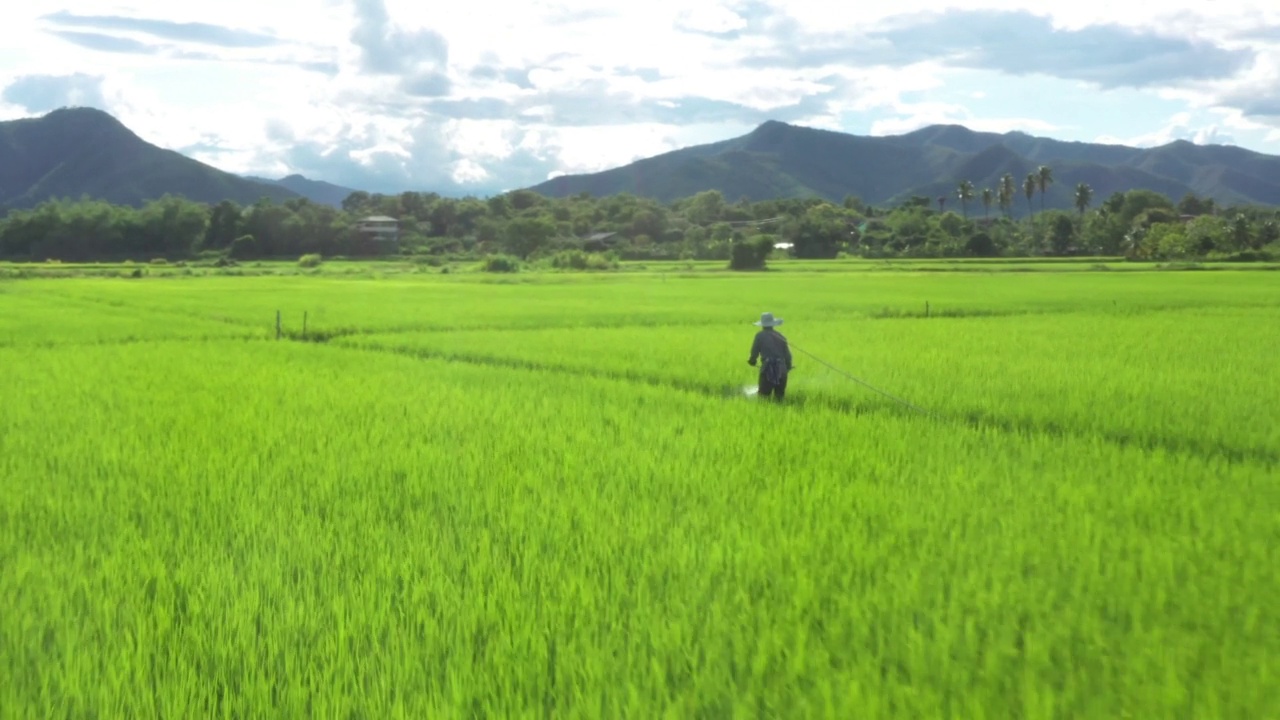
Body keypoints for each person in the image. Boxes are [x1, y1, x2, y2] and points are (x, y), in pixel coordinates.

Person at [748, 312, 792, 401]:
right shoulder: (780, 336)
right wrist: (788, 367)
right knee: (779, 397)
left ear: (763, 324)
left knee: (763, 397)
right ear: (772, 324)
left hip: (768, 368)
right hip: (782, 369)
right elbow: (788, 356)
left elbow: (754, 352)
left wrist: (752, 361)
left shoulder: (759, 336)